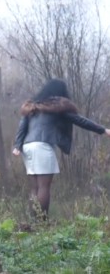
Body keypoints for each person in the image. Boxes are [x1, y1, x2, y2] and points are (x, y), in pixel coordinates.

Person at [13, 78, 110, 222]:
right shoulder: (58, 107)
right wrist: (103, 130)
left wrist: (17, 146)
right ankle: (42, 222)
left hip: (27, 147)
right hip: (43, 146)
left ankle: (33, 223)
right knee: (44, 186)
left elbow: (22, 127)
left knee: (34, 188)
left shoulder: (32, 107)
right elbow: (81, 121)